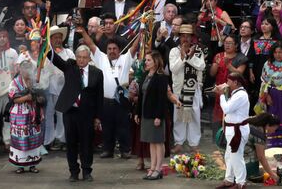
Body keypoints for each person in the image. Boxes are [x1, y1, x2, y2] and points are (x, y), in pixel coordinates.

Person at [78, 25, 140, 159]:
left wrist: (141, 33)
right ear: (106, 50)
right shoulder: (101, 58)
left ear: (119, 50)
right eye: (109, 49)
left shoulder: (125, 58)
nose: (112, 51)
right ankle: (108, 150)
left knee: (123, 126)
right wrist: (83, 31)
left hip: (121, 99)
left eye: (114, 49)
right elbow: (90, 44)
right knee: (107, 126)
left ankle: (125, 150)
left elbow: (134, 48)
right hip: (105, 100)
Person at [47, 44, 103, 182]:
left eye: (84, 57)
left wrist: (98, 117)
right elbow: (54, 58)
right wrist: (45, 45)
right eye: (79, 57)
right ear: (75, 57)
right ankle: (73, 171)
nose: (81, 60)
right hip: (70, 111)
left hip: (87, 113)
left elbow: (99, 96)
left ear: (89, 58)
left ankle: (86, 171)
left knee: (86, 143)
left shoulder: (97, 72)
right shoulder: (70, 67)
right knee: (71, 143)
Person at [135, 51, 177, 181]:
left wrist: (159, 116)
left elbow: (161, 99)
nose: (145, 63)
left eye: (148, 60)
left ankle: (158, 169)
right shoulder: (146, 75)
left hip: (156, 114)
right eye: (145, 60)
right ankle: (152, 167)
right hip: (146, 113)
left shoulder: (161, 77)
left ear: (156, 62)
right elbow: (141, 95)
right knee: (151, 142)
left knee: (158, 142)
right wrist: (137, 112)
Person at [169, 24, 205, 153]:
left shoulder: (198, 51)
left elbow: (201, 66)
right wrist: (183, 57)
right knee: (178, 116)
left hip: (193, 89)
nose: (185, 39)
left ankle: (193, 143)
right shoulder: (174, 51)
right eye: (183, 36)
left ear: (192, 38)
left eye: (188, 36)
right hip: (178, 90)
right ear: (179, 38)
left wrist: (190, 56)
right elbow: (173, 68)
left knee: (195, 115)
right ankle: (179, 142)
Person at [215, 73, 250, 189]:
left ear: (235, 83)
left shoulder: (240, 95)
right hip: (232, 129)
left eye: (229, 81)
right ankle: (229, 180)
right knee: (229, 156)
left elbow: (227, 108)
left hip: (237, 130)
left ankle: (241, 182)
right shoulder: (235, 93)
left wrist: (221, 95)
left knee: (236, 156)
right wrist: (223, 93)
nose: (227, 83)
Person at [8, 60, 44, 173]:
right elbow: (14, 98)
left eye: (29, 68)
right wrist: (27, 97)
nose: (27, 71)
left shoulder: (34, 82)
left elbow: (41, 96)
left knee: (34, 138)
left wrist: (38, 99)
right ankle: (20, 165)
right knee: (20, 139)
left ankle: (33, 164)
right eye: (24, 68)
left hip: (33, 114)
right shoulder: (15, 82)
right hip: (19, 114)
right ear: (20, 69)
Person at [44, 26, 72, 150]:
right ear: (50, 39)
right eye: (55, 37)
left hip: (64, 88)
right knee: (48, 115)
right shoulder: (45, 53)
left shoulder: (68, 53)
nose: (58, 40)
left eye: (60, 37)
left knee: (62, 115)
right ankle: (48, 140)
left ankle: (62, 139)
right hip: (49, 87)